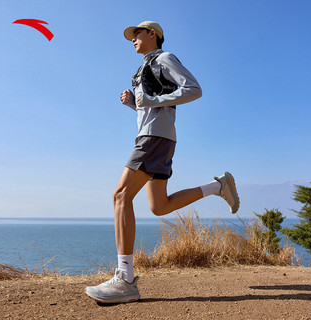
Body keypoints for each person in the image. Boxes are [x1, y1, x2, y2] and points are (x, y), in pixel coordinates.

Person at [85, 21, 240, 304]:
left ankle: (126, 279)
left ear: (152, 34)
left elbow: (194, 89)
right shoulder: (144, 66)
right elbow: (153, 105)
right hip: (158, 137)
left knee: (120, 195)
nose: (132, 39)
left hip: (153, 139)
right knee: (159, 206)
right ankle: (217, 187)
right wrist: (134, 103)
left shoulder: (164, 58)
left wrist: (152, 99)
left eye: (137, 34)